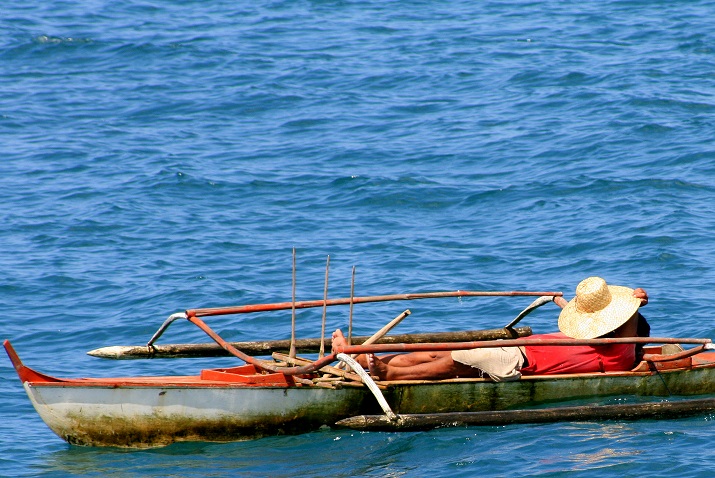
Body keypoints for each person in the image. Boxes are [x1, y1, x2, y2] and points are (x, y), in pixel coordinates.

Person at [331, 276, 650, 381]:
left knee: (456, 359)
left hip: (517, 364)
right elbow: (583, 318)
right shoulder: (591, 333)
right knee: (435, 350)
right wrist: (559, 300)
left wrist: (637, 303)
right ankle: (373, 365)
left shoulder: (618, 355)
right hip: (515, 349)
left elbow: (628, 330)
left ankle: (391, 375)